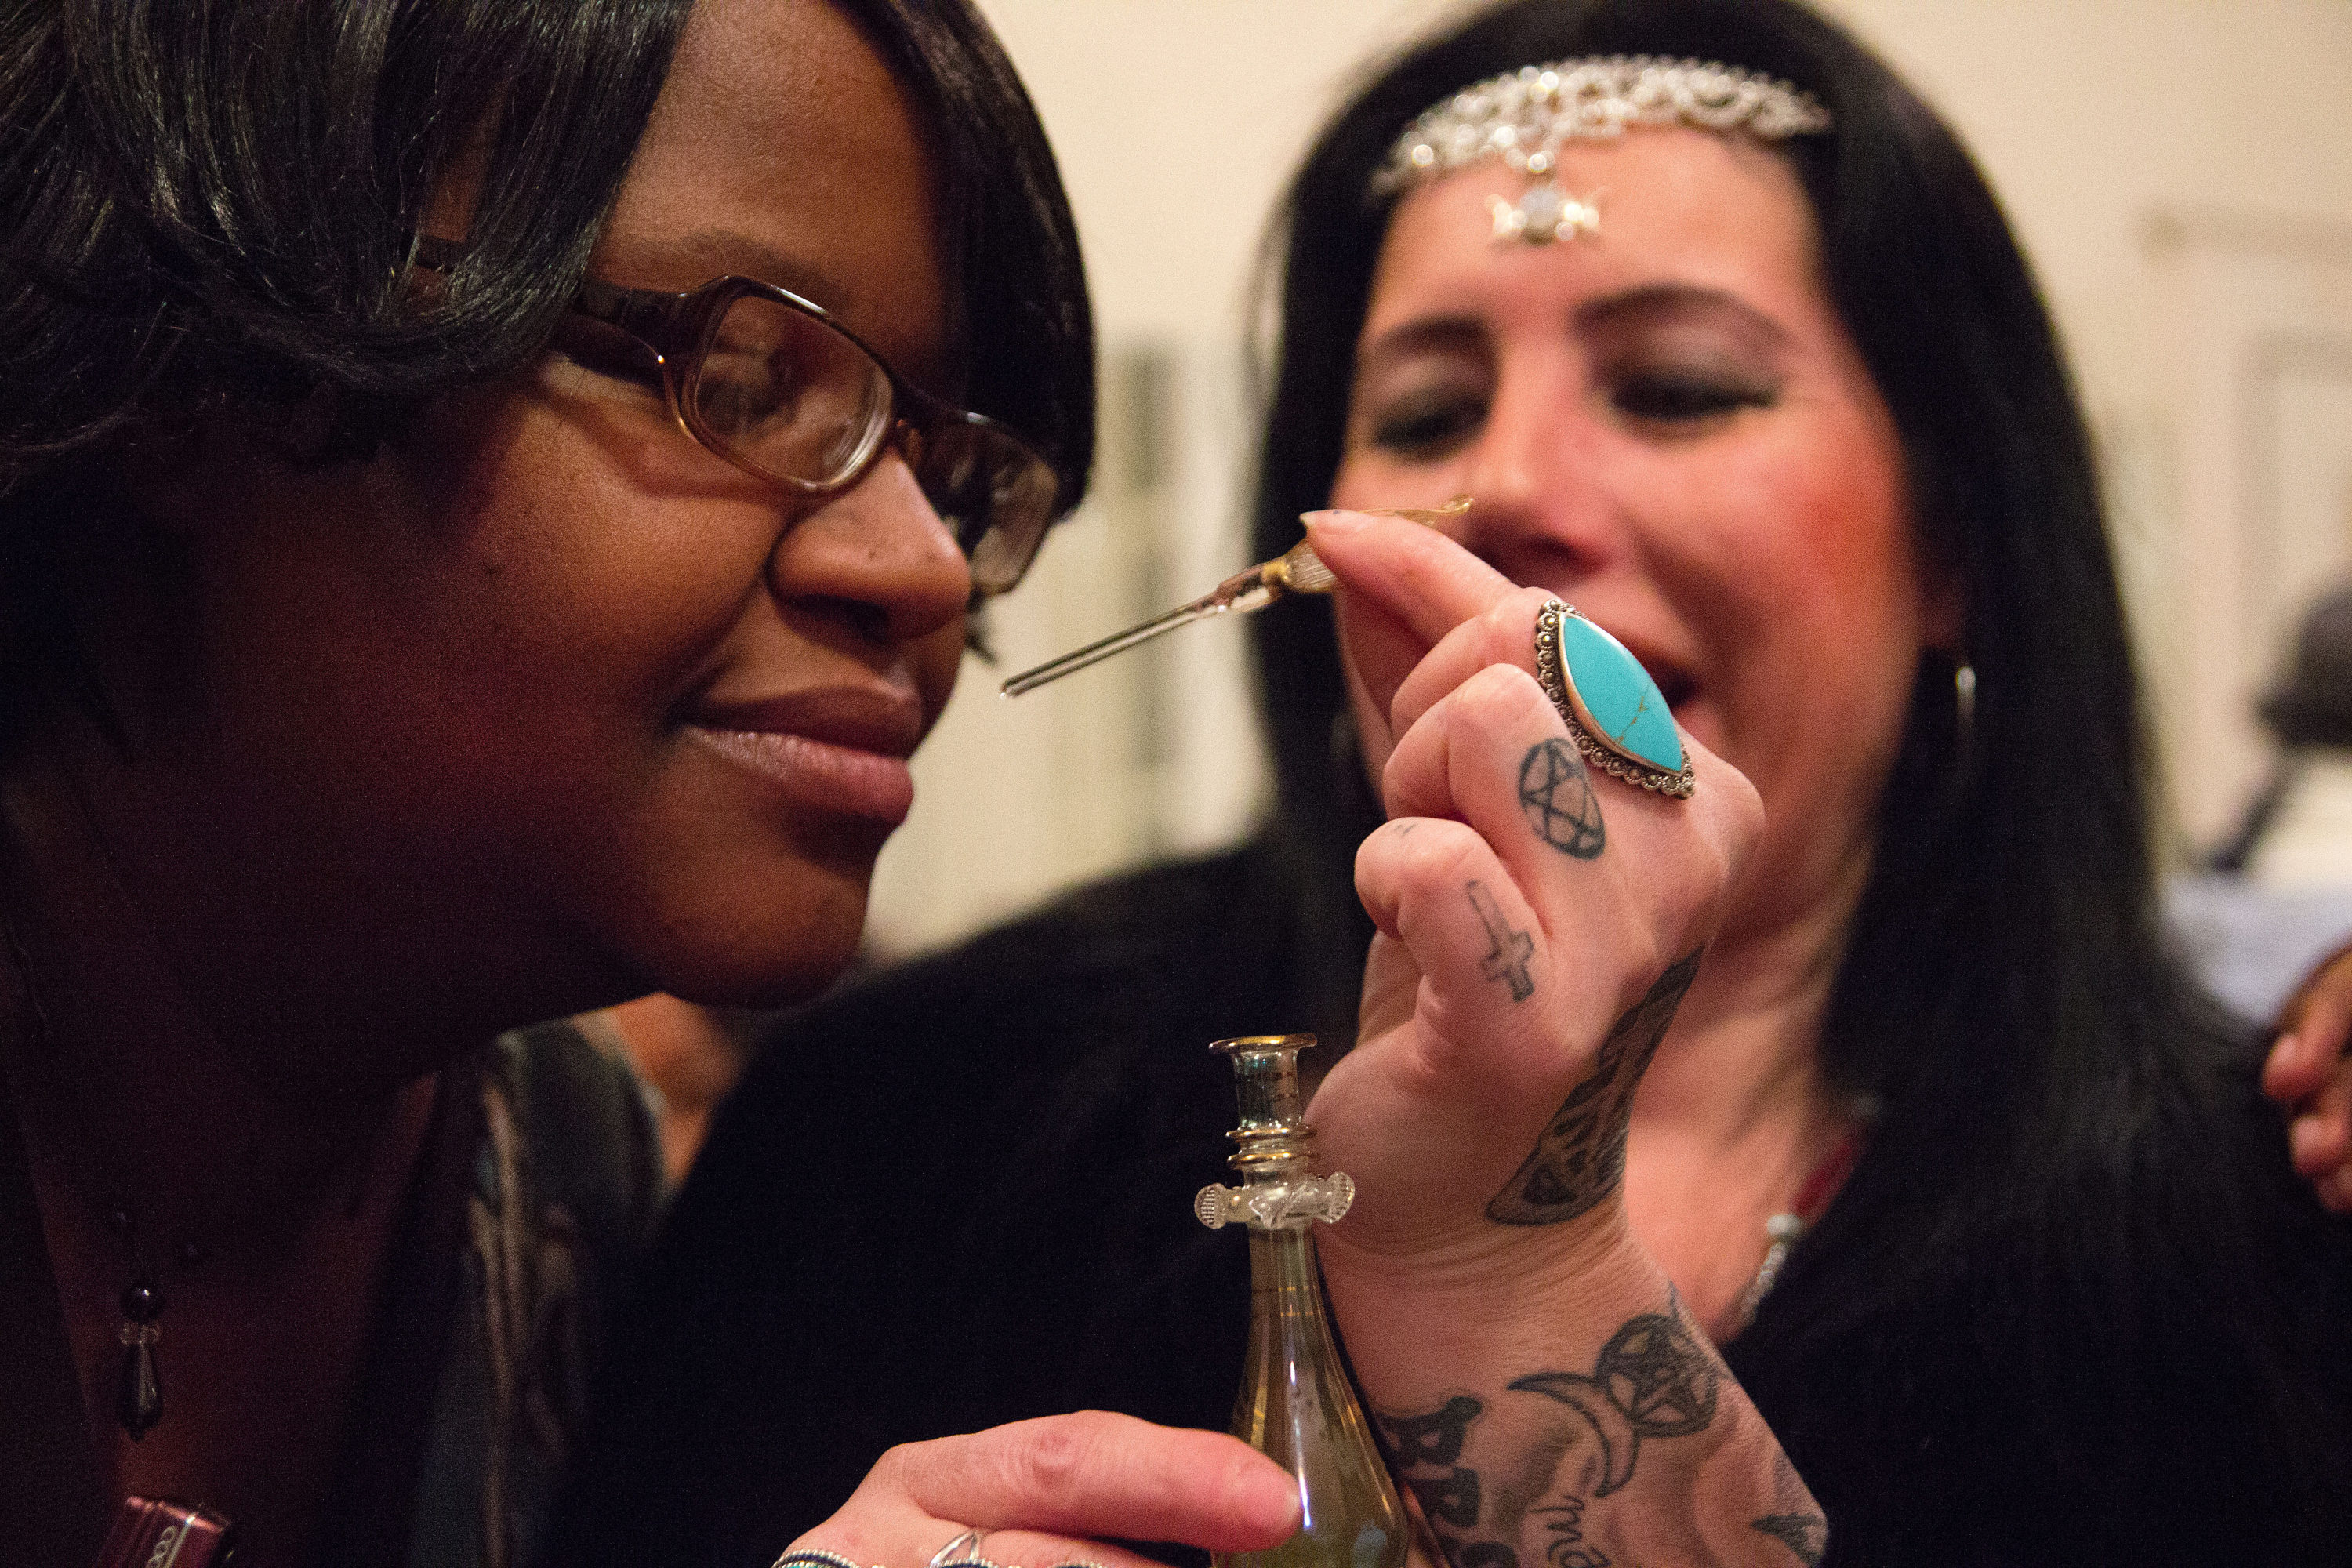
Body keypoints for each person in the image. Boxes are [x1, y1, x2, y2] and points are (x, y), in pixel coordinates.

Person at [0, 2, 1820, 1566]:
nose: (928, 568)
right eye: (743, 373)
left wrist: (1519, 1261)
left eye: (954, 471)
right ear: (203, 355)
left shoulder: (557, 1185)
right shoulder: (853, 1148)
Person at [562, 2, 2352, 1565]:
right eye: (1421, 412)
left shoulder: (2262, 1219)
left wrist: (1513, 1267)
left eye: (1676, 387)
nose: (1508, 490)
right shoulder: (908, 1121)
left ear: (1956, 539)